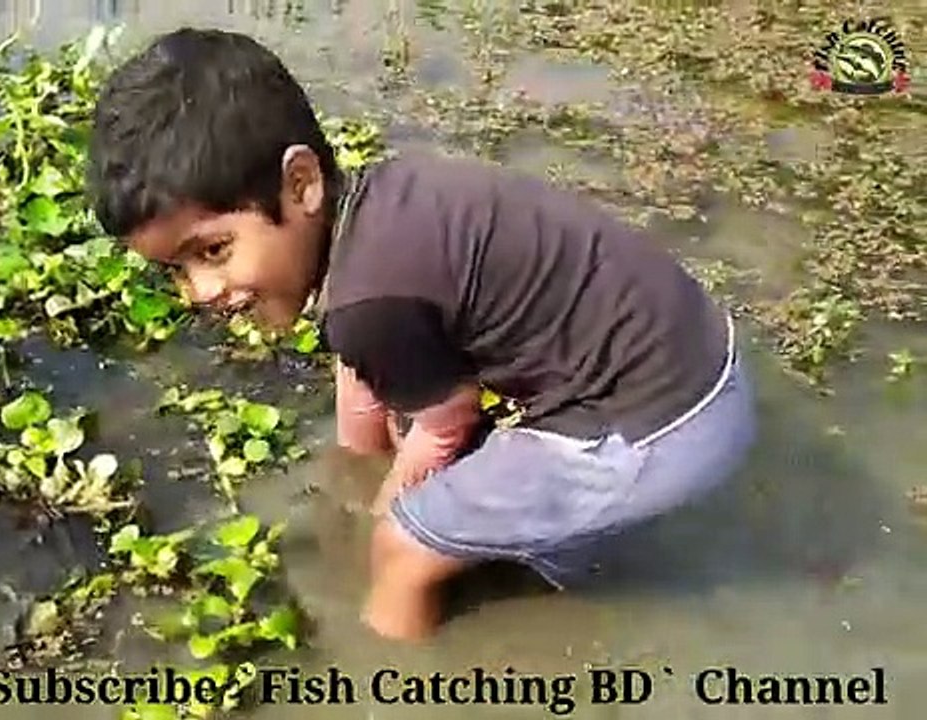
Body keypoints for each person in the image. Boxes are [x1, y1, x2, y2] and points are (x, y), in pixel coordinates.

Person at [85, 27, 757, 642]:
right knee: (460, 511)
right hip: (695, 358)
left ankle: (394, 670)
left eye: (214, 251)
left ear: (300, 183)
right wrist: (353, 467)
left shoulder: (371, 302)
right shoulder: (381, 209)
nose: (200, 293)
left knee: (407, 550)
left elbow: (444, 420)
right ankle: (560, 559)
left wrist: (384, 511)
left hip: (663, 426)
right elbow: (361, 367)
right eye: (175, 269)